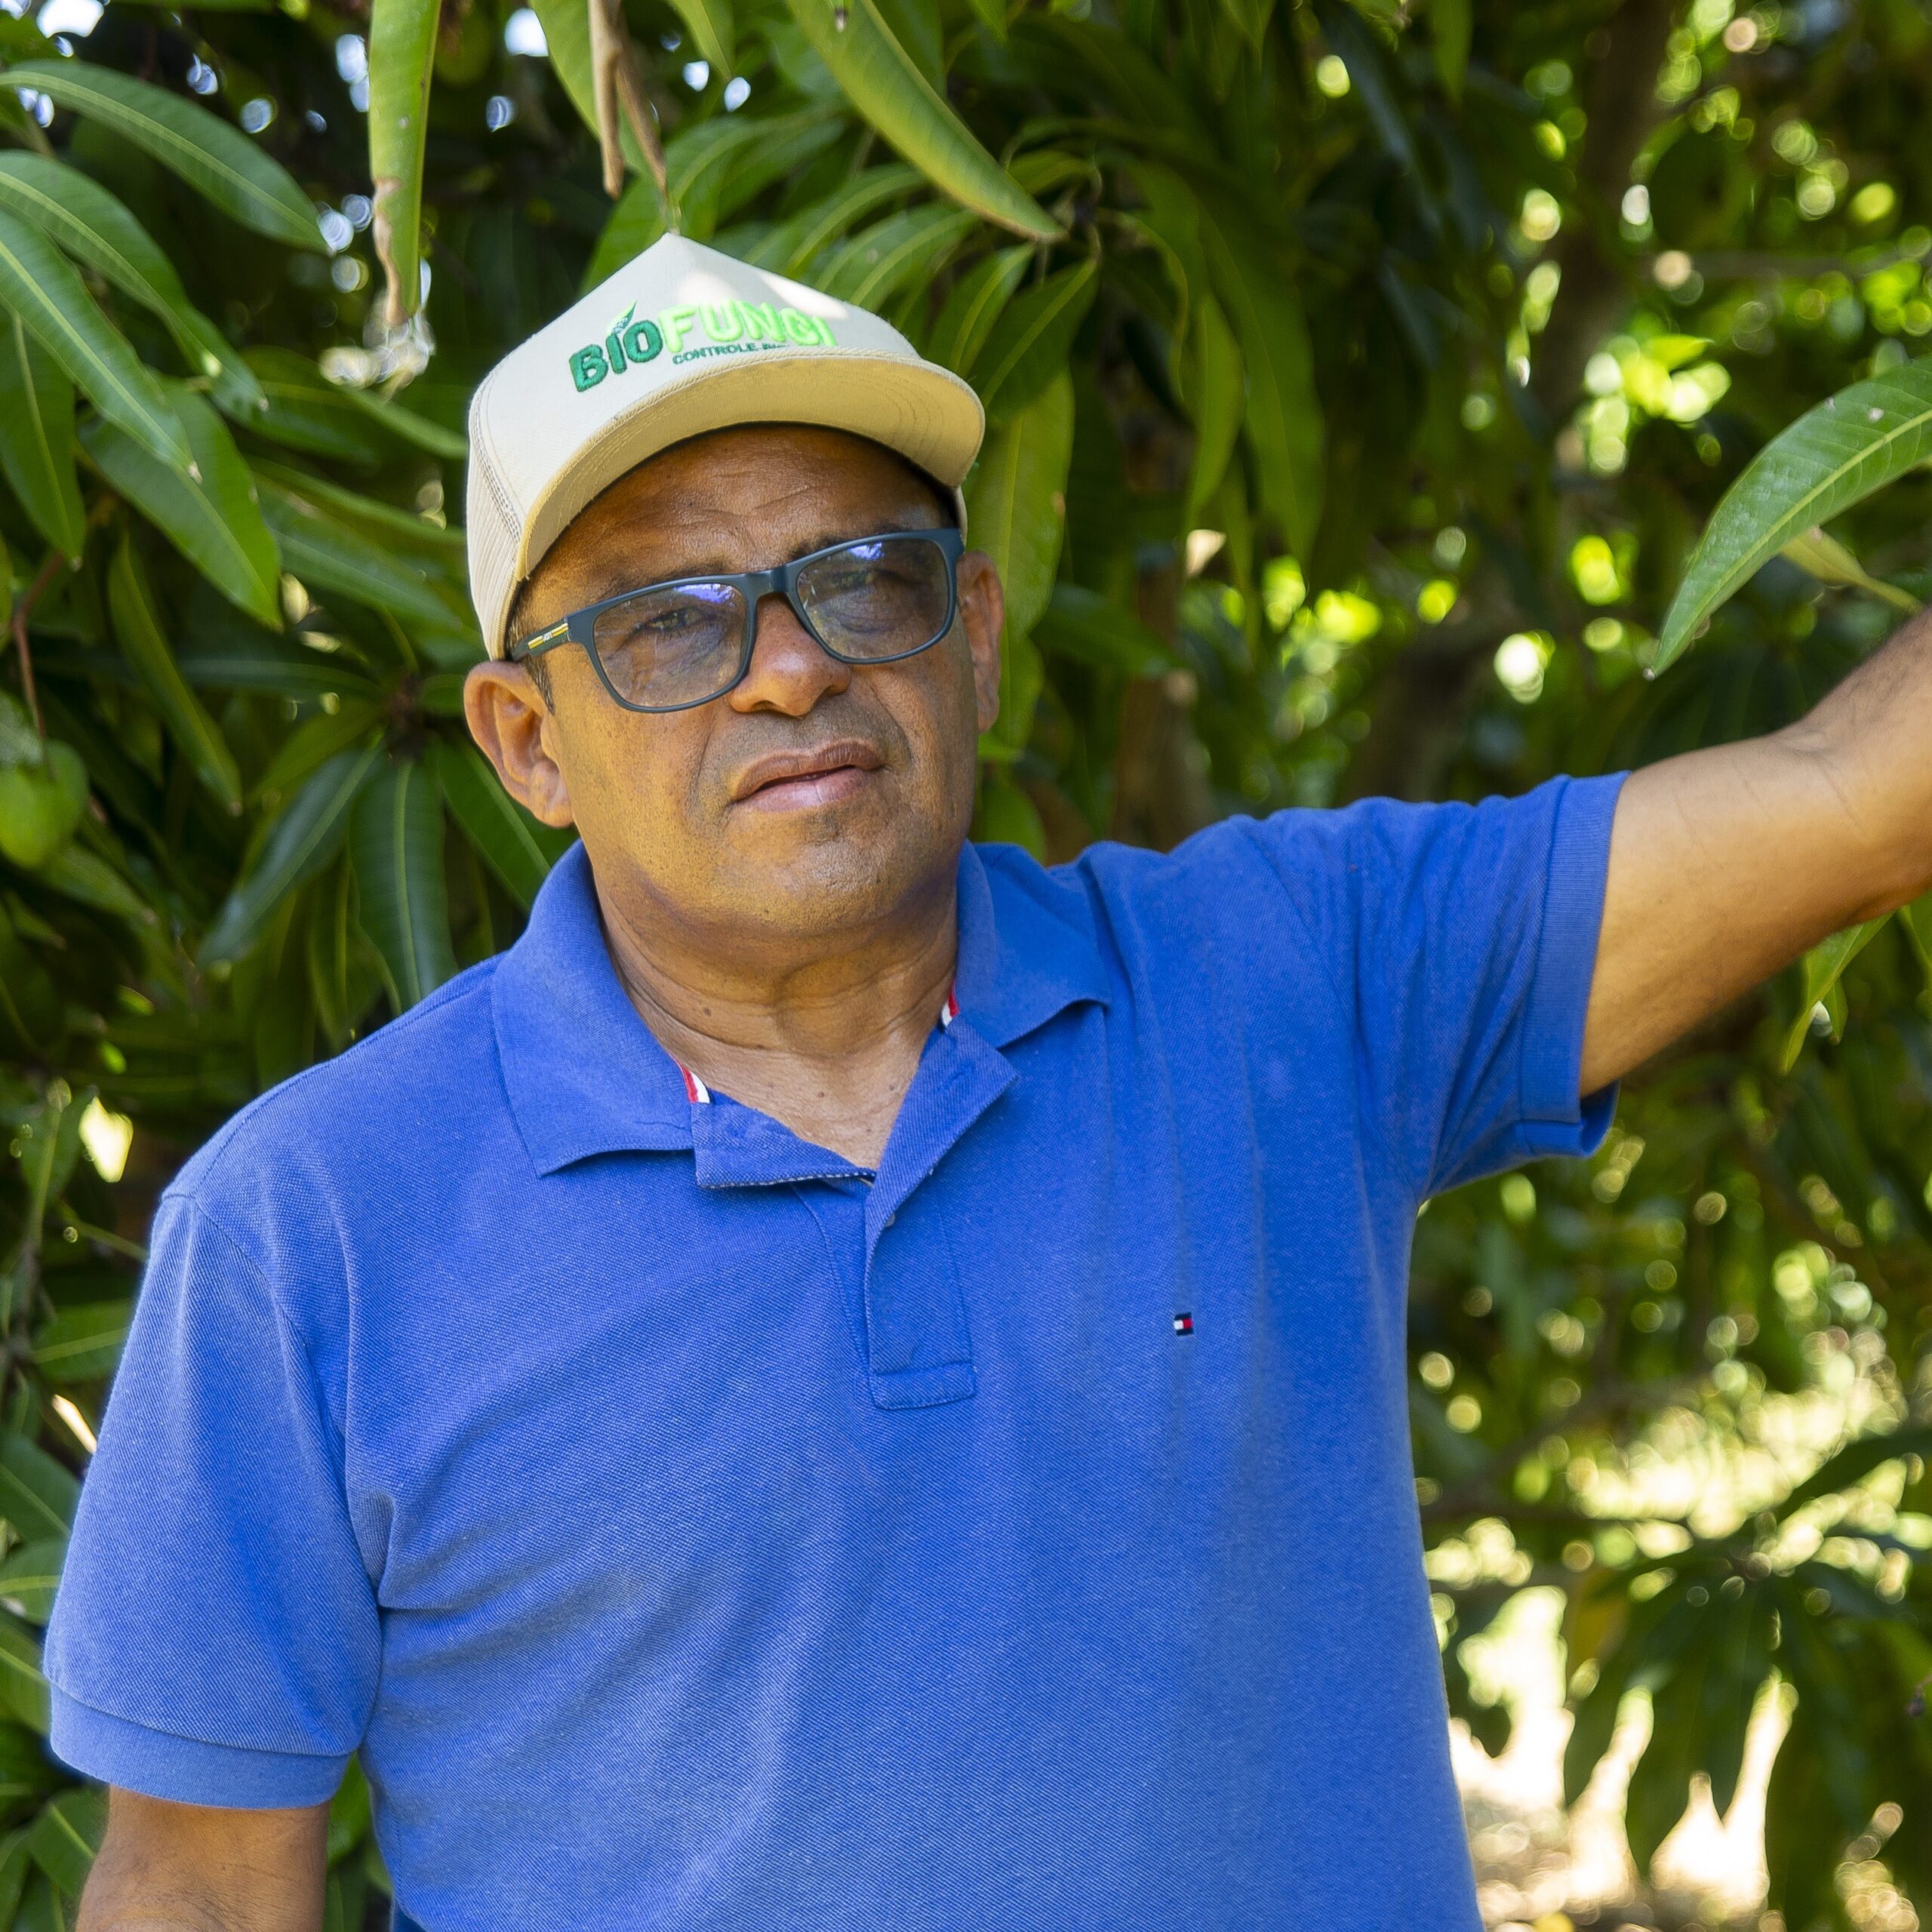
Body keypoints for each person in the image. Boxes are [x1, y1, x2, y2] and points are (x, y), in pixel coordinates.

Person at [52, 233, 1932, 1931]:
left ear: (972, 635)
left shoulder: (1291, 977)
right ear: (525, 738)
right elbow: (199, 1889)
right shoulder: (314, 1220)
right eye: (665, 621)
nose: (785, 668)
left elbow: (1854, 797)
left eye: (862, 577)